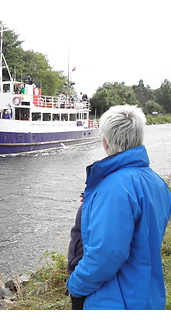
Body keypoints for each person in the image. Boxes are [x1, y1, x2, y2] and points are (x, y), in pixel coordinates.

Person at [66, 104, 171, 310]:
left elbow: (106, 256)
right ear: (139, 137)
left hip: (114, 302)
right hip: (146, 296)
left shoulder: (114, 187)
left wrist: (75, 286)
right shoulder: (157, 182)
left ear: (105, 142)